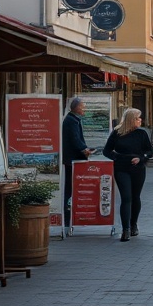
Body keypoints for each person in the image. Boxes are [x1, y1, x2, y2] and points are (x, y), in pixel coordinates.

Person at [103, 108, 153, 241]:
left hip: (138, 168)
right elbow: (106, 150)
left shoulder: (141, 133)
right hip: (122, 168)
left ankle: (133, 225)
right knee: (126, 197)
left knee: (135, 197)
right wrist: (117, 157)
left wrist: (141, 158)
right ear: (131, 120)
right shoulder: (117, 133)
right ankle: (125, 229)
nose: (140, 120)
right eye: (138, 118)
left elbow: (150, 151)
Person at [61, 96, 92, 229]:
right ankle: (68, 218)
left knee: (71, 187)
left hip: (72, 159)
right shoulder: (72, 121)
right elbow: (74, 138)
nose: (84, 109)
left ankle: (70, 217)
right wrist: (83, 149)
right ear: (76, 108)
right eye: (82, 106)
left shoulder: (73, 119)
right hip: (72, 160)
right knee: (70, 188)